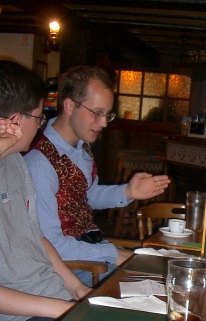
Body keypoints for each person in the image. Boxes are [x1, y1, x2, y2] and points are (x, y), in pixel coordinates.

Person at [25, 65, 170, 283]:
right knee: (154, 281)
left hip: (90, 249)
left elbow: (86, 196)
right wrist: (113, 253)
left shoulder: (81, 148)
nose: (103, 123)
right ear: (69, 105)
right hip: (66, 268)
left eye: (107, 114)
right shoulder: (40, 163)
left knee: (167, 272)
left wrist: (128, 191)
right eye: (97, 113)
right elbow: (51, 245)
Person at [0, 61, 90, 321]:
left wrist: (76, 287)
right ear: (15, 121)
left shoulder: (17, 163)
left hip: (53, 299)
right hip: (18, 320)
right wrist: (62, 309)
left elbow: (34, 235)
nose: (40, 126)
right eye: (39, 118)